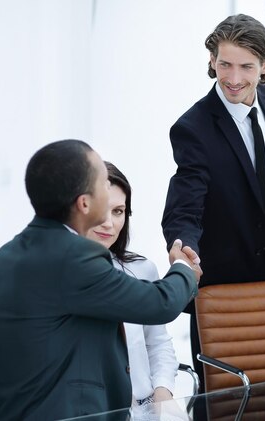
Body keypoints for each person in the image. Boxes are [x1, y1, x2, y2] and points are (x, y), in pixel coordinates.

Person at [0, 140, 200, 421]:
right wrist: (183, 267)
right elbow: (161, 303)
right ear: (84, 203)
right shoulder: (72, 259)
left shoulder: (8, 254)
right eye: (103, 183)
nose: (108, 191)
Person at [162, 14, 265, 384]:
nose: (234, 78)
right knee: (221, 395)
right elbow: (185, 203)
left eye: (246, 67)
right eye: (224, 64)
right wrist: (181, 248)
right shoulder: (193, 128)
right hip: (223, 284)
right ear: (212, 61)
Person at [85, 162, 179, 407]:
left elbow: (157, 344)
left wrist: (163, 391)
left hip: (145, 407)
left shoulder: (141, 269)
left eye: (118, 211)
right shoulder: (63, 279)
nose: (109, 223)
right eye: (101, 210)